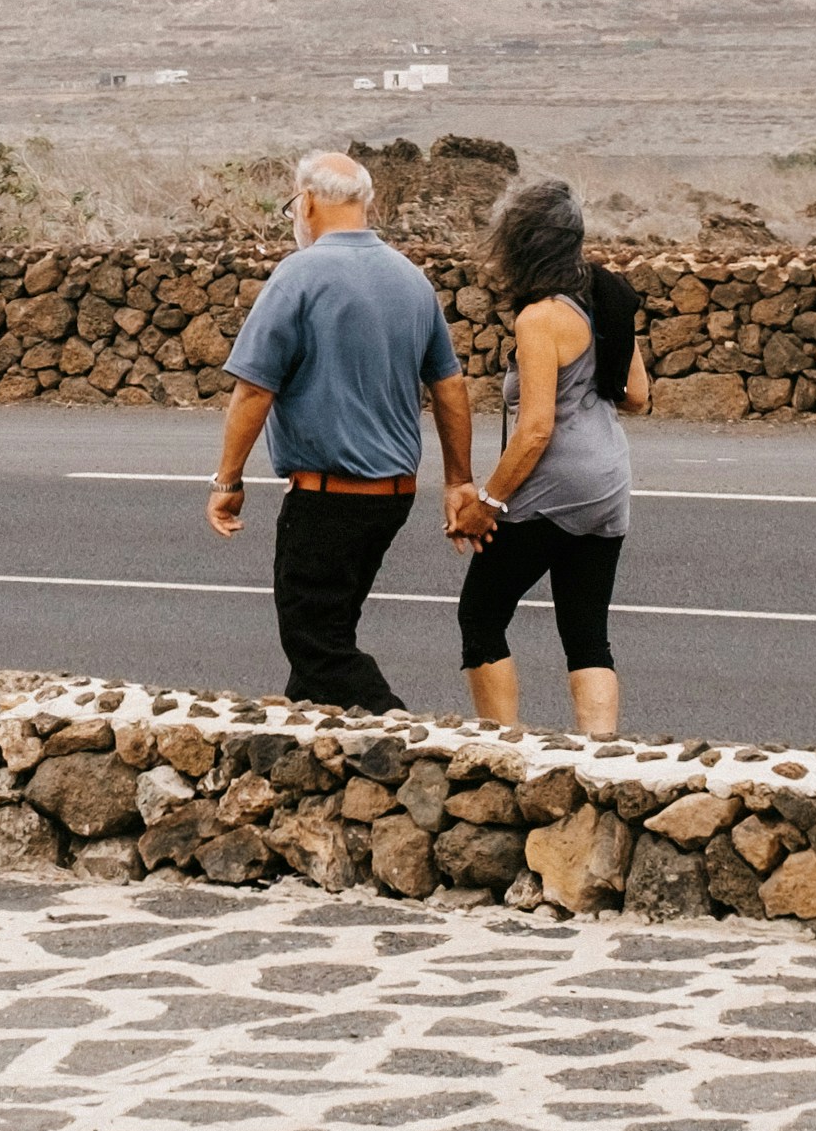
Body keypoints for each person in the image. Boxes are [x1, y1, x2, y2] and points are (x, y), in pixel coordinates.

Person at [206, 147, 471, 709]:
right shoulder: (411, 279)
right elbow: (450, 386)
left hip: (328, 498)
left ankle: (406, 738)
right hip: (391, 497)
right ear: (365, 202)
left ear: (305, 203)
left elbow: (254, 389)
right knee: (325, 643)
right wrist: (458, 481)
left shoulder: (299, 275)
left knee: (317, 645)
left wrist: (227, 482)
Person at [443, 175, 638, 736]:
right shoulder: (605, 296)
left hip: (554, 487)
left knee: (480, 615)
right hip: (607, 481)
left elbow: (533, 431)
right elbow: (640, 397)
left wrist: (488, 502)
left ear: (522, 245)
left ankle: (505, 750)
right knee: (586, 634)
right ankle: (600, 762)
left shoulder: (540, 316)